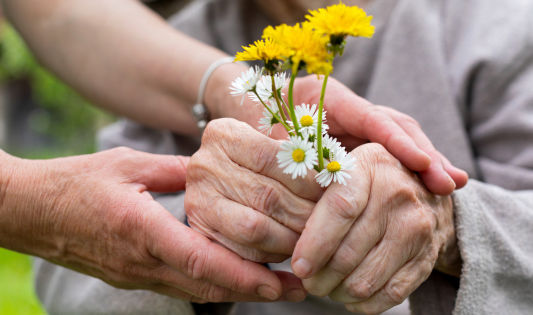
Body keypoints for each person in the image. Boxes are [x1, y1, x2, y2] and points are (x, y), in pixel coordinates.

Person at [29, 0, 532, 314]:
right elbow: (70, 276)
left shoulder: (499, 28)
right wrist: (205, 229)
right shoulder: (166, 49)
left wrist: (450, 227)